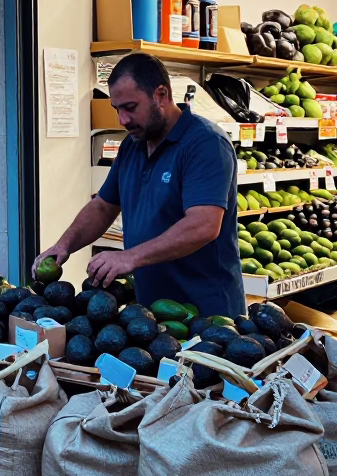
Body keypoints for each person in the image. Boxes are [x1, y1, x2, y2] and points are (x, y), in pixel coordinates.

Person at [33, 52, 244, 318]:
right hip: (151, 313)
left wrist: (130, 257)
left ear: (161, 95)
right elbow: (103, 207)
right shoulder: (132, 146)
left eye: (130, 107)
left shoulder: (206, 143)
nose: (122, 120)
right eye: (116, 109)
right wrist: (64, 245)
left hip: (208, 313)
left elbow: (204, 225)